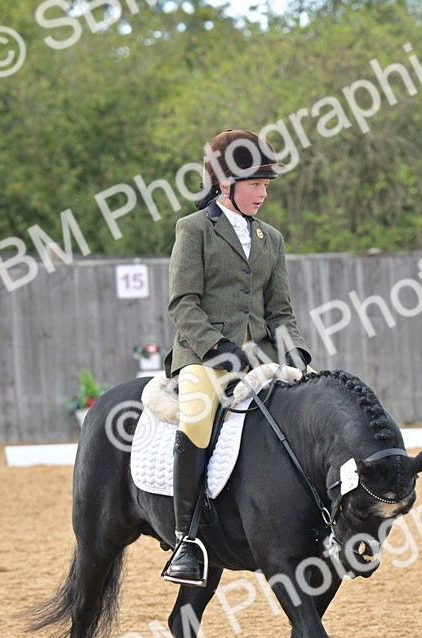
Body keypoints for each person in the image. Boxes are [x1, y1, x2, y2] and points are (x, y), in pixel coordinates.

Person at [160, 129, 313, 586]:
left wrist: (298, 352)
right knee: (197, 417)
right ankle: (186, 540)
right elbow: (182, 303)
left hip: (261, 355)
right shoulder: (194, 230)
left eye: (267, 185)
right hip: (205, 356)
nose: (263, 193)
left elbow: (280, 310)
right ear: (226, 183)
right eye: (255, 184)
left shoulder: (272, 239)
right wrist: (215, 346)